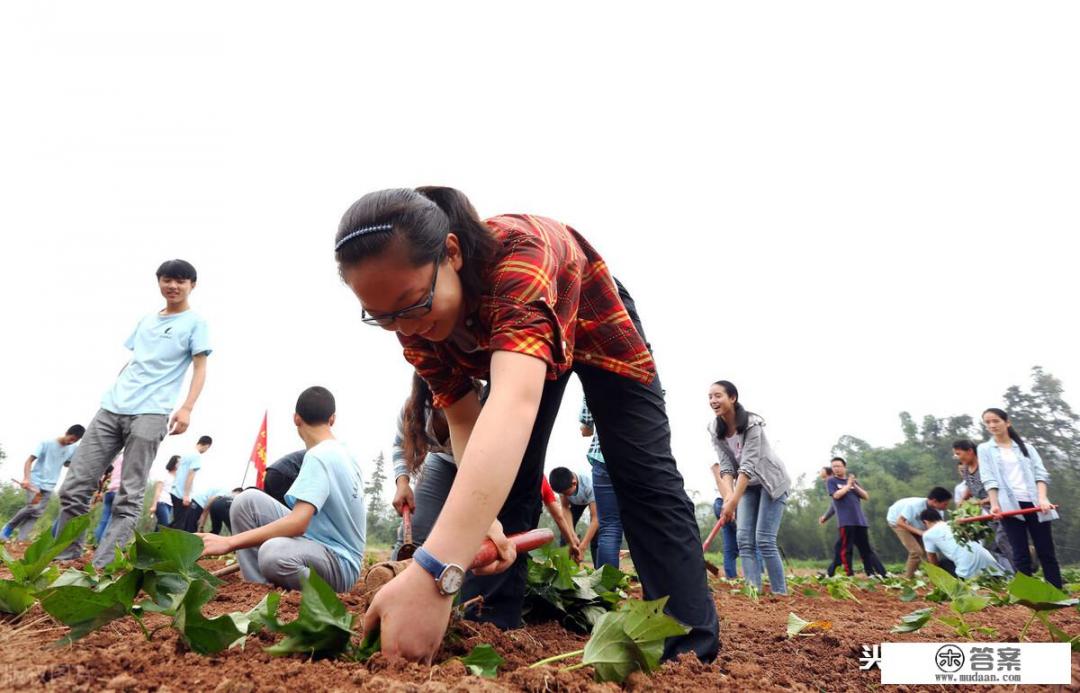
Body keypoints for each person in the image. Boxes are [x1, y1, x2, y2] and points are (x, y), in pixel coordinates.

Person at [337, 187, 717, 662]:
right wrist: (485, 521)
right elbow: (464, 420)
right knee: (505, 480)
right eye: (383, 317)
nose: (404, 328)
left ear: (451, 253)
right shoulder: (412, 323)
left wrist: (435, 571)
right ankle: (489, 620)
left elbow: (513, 406)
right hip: (517, 345)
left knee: (643, 475)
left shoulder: (517, 260)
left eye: (412, 304)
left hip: (594, 321)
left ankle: (688, 647)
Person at [54, 259, 211, 568]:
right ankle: (64, 558)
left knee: (129, 493)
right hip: (112, 408)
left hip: (151, 413)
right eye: (168, 279)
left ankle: (103, 567)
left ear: (192, 285)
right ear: (159, 282)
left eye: (181, 280)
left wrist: (187, 407)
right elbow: (135, 361)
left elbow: (200, 368)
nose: (174, 286)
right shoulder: (146, 320)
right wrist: (117, 387)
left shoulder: (196, 323)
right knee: (74, 485)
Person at [390, 375, 579, 560]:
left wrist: (487, 518)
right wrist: (402, 482)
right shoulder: (415, 409)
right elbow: (400, 445)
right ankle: (390, 576)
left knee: (487, 536)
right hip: (443, 462)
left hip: (484, 465)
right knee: (416, 531)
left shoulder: (480, 401)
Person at [198, 386, 366, 592]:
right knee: (246, 501)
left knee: (273, 554)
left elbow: (298, 524)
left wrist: (229, 542)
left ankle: (325, 595)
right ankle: (258, 588)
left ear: (296, 418)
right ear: (332, 419)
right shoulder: (343, 453)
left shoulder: (319, 456)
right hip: (316, 543)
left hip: (339, 564)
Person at [712, 381, 792, 596]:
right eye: (710, 397)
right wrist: (728, 498)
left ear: (732, 398)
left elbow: (748, 465)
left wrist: (733, 502)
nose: (713, 401)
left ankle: (779, 593)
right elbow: (727, 466)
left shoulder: (752, 424)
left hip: (771, 483)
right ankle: (753, 591)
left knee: (764, 540)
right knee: (744, 540)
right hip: (747, 486)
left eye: (718, 396)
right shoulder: (715, 429)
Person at [977, 408, 1062, 588]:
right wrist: (994, 505)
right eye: (988, 422)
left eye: (996, 421)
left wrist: (1043, 498)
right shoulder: (985, 449)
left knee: (1046, 550)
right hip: (1009, 506)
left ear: (1007, 422)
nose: (992, 425)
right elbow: (988, 478)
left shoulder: (1027, 448)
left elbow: (1040, 474)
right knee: (1020, 552)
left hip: (1035, 504)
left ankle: (1056, 593)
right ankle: (1027, 595)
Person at [2, 425, 85, 541]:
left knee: (37, 513)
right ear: (67, 432)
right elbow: (29, 461)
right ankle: (8, 527)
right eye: (71, 438)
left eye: (75, 441)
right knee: (33, 507)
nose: (71, 442)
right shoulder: (46, 443)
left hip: (50, 485)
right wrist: (26, 478)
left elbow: (67, 463)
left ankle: (21, 539)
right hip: (35, 482)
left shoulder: (72, 448)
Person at [952, 440, 1014, 573]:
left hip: (1002, 508)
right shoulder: (967, 469)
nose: (957, 457)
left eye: (959, 453)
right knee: (993, 544)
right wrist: (963, 500)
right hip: (989, 513)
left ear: (970, 451)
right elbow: (970, 486)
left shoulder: (986, 467)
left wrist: (980, 502)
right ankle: (1010, 572)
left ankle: (1023, 572)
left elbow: (998, 489)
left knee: (1003, 539)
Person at [579, 401, 623, 569]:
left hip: (605, 456)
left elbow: (586, 429)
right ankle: (655, 588)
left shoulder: (596, 376)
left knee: (610, 526)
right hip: (640, 456)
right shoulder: (649, 375)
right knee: (642, 523)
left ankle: (606, 589)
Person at [826, 457, 886, 577]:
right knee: (846, 550)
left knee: (866, 549)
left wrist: (854, 485)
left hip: (860, 520)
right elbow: (836, 496)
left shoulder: (853, 481)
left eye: (838, 466)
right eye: (834, 467)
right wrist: (848, 486)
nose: (836, 469)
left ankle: (870, 573)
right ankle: (850, 574)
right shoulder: (831, 481)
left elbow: (865, 496)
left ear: (844, 467)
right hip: (846, 521)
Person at [920, 508, 1004, 579]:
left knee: (942, 563)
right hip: (992, 567)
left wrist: (935, 578)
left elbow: (932, 560)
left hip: (969, 575)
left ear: (925, 522)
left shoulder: (928, 534)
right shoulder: (955, 524)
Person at [885, 487, 952, 578]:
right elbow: (900, 522)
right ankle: (908, 578)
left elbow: (937, 528)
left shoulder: (939, 511)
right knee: (916, 552)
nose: (946, 507)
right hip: (898, 522)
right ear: (935, 501)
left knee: (932, 552)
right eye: (945, 504)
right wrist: (920, 533)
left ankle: (936, 577)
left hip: (916, 525)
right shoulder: (914, 505)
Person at [548, 466, 599, 565]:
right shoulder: (563, 485)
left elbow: (595, 518)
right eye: (562, 494)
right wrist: (572, 534)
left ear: (574, 483)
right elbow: (565, 507)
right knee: (565, 533)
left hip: (592, 499)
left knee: (596, 534)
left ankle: (598, 569)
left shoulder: (589, 486)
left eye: (565, 493)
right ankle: (565, 567)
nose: (563, 495)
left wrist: (583, 546)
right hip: (576, 503)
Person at [171, 435, 213, 532]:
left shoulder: (187, 453)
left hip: (175, 490)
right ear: (207, 445)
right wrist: (186, 495)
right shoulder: (196, 456)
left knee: (177, 522)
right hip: (181, 494)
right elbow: (190, 475)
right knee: (179, 525)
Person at [816, 466, 844, 577]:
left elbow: (834, 505)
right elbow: (834, 505)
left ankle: (881, 573)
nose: (825, 481)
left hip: (850, 522)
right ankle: (831, 572)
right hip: (846, 522)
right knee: (841, 547)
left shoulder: (838, 485)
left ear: (831, 475)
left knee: (865, 549)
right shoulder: (837, 486)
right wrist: (825, 517)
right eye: (823, 479)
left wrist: (825, 517)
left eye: (825, 477)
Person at [92, 455, 124, 545]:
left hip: (110, 491)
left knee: (104, 520)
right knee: (112, 521)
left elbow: (109, 474)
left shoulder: (117, 458)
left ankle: (96, 543)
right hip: (120, 491)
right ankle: (103, 545)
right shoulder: (131, 458)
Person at [150, 456, 179, 531]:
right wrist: (154, 505)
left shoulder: (178, 478)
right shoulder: (164, 474)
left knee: (160, 526)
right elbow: (158, 490)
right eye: (178, 462)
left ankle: (150, 541)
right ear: (174, 463)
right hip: (162, 502)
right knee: (164, 524)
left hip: (171, 505)